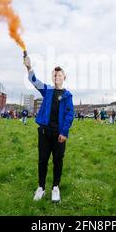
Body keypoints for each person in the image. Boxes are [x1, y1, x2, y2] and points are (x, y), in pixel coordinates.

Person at [24, 56, 74, 203]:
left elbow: (69, 115)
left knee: (58, 160)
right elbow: (34, 81)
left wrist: (64, 132)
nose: (56, 76)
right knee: (42, 160)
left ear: (64, 77)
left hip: (59, 135)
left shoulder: (67, 95)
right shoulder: (47, 90)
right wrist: (28, 68)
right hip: (44, 133)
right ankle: (41, 187)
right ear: (52, 77)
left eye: (59, 74)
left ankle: (55, 188)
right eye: (54, 74)